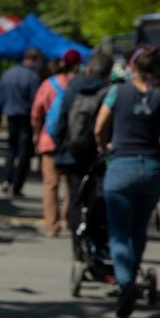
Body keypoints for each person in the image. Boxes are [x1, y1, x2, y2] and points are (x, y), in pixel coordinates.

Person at [94, 44, 160, 318]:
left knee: (118, 231)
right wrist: (157, 152)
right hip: (151, 167)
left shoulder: (118, 92)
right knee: (138, 229)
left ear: (131, 67)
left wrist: (105, 147)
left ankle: (125, 281)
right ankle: (131, 276)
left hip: (121, 165)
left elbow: (99, 127)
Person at [52, 51, 114, 241]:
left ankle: (77, 243)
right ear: (108, 72)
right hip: (97, 152)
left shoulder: (73, 87)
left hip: (72, 150)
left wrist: (60, 144)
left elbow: (62, 119)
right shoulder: (109, 91)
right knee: (95, 196)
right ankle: (92, 238)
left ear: (87, 68)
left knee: (75, 197)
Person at [31, 48, 80, 235]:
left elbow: (36, 112)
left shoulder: (49, 84)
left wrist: (37, 134)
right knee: (71, 184)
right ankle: (67, 219)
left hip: (50, 139)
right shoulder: (80, 85)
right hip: (75, 141)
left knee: (50, 184)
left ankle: (52, 225)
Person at [0, 48, 43, 197]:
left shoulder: (8, 73)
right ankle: (17, 185)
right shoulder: (33, 77)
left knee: (11, 149)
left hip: (10, 115)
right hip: (26, 117)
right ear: (34, 60)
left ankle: (6, 179)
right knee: (24, 153)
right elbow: (36, 102)